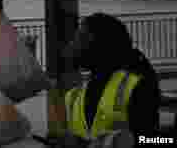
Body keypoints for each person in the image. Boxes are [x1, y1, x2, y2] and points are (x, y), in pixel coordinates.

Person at [62, 12, 160, 140]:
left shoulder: (137, 86)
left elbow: (155, 140)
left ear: (99, 43)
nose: (72, 45)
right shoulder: (73, 97)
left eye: (80, 38)